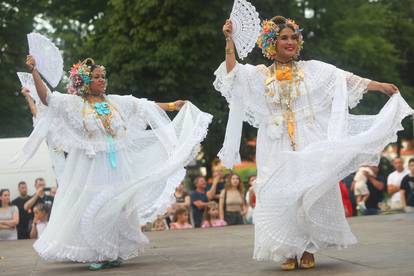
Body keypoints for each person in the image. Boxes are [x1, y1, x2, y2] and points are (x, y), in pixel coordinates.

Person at [215, 16, 412, 270]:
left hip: (308, 139)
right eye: (284, 38)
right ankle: (286, 248)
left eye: (293, 37)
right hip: (275, 143)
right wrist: (229, 40)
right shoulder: (260, 74)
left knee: (309, 191)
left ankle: (307, 246)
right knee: (279, 193)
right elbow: (233, 74)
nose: (290, 42)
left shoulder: (312, 69)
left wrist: (379, 86)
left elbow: (346, 79)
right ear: (271, 43)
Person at [17, 55, 211, 270]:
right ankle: (99, 253)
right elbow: (48, 99)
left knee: (118, 206)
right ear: (84, 82)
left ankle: (113, 250)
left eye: (103, 76)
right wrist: (35, 71)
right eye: (97, 77)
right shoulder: (75, 104)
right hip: (90, 166)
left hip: (117, 164)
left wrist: (174, 105)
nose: (102, 80)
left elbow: (145, 107)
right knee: (93, 206)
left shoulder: (116, 102)